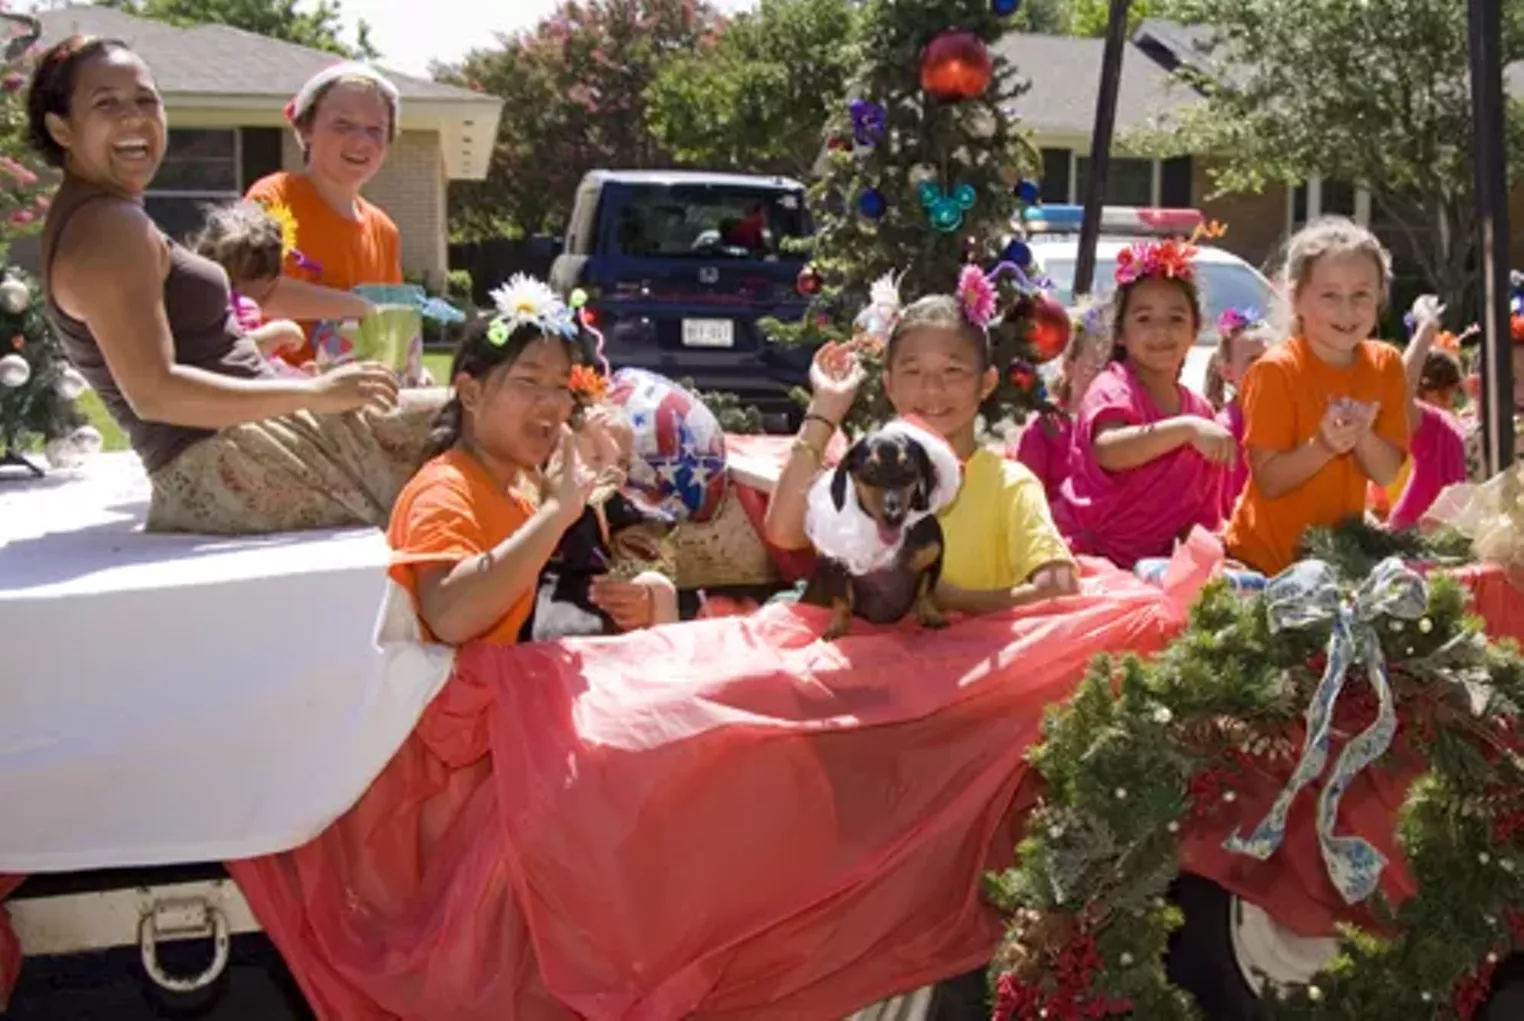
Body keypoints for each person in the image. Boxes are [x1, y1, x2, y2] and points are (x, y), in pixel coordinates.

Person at [28, 35, 430, 534]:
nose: (135, 118)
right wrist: (317, 392)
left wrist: (251, 343)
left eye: (146, 99)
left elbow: (164, 350)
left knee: (490, 412)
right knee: (485, 427)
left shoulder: (100, 214)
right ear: (61, 128)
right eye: (106, 103)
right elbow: (155, 393)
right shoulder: (110, 229)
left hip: (241, 443)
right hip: (233, 463)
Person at [763, 273, 1078, 616]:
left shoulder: (1009, 485)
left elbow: (1059, 591)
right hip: (864, 662)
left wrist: (946, 598)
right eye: (912, 372)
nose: (931, 389)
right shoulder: (870, 471)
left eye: (953, 371)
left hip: (966, 665)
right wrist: (826, 408)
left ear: (986, 382)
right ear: (889, 384)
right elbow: (784, 533)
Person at [388, 276, 605, 644]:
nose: (551, 404)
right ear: (470, 393)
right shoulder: (444, 490)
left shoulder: (518, 499)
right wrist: (554, 514)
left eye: (560, 386)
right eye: (528, 381)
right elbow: (448, 617)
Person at [1224, 217, 1410, 576]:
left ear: (1379, 299)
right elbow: (1270, 480)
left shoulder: (1386, 364)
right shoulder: (1276, 371)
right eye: (1330, 295)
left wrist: (1361, 436)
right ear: (1296, 299)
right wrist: (1324, 445)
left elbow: (1386, 473)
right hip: (1266, 562)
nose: (1347, 310)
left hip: (1339, 560)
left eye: (1361, 295)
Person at [1053, 238, 1233, 569]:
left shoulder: (1200, 411)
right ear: (1120, 333)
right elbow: (1109, 451)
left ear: (1196, 330)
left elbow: (1198, 513)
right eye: (1144, 319)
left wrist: (1205, 556)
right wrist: (1185, 429)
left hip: (1162, 568)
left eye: (1176, 319)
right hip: (1096, 564)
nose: (1161, 331)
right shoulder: (1113, 387)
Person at [245, 62, 404, 369]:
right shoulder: (274, 197)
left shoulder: (385, 230)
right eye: (342, 125)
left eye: (375, 130)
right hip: (276, 389)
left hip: (356, 390)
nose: (361, 142)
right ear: (306, 130)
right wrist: (357, 308)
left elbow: (389, 324)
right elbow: (256, 289)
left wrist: (407, 364)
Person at [188, 200, 309, 374]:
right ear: (268, 279)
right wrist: (279, 332)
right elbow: (234, 354)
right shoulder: (243, 306)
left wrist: (293, 373)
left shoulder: (189, 298)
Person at [1010, 300, 1108, 508]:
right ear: (1069, 366)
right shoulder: (1045, 429)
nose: (1105, 377)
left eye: (1110, 367)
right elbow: (1025, 507)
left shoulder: (1123, 428)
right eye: (1094, 366)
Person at [1383, 297, 1468, 530]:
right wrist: (1426, 329)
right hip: (1413, 543)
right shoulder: (1435, 425)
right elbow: (1396, 396)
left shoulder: (1463, 424)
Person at [1203, 308, 1273, 519]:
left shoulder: (1289, 420)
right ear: (1227, 372)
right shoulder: (1225, 432)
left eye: (1271, 359)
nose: (1266, 368)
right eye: (1253, 361)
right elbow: (1223, 509)